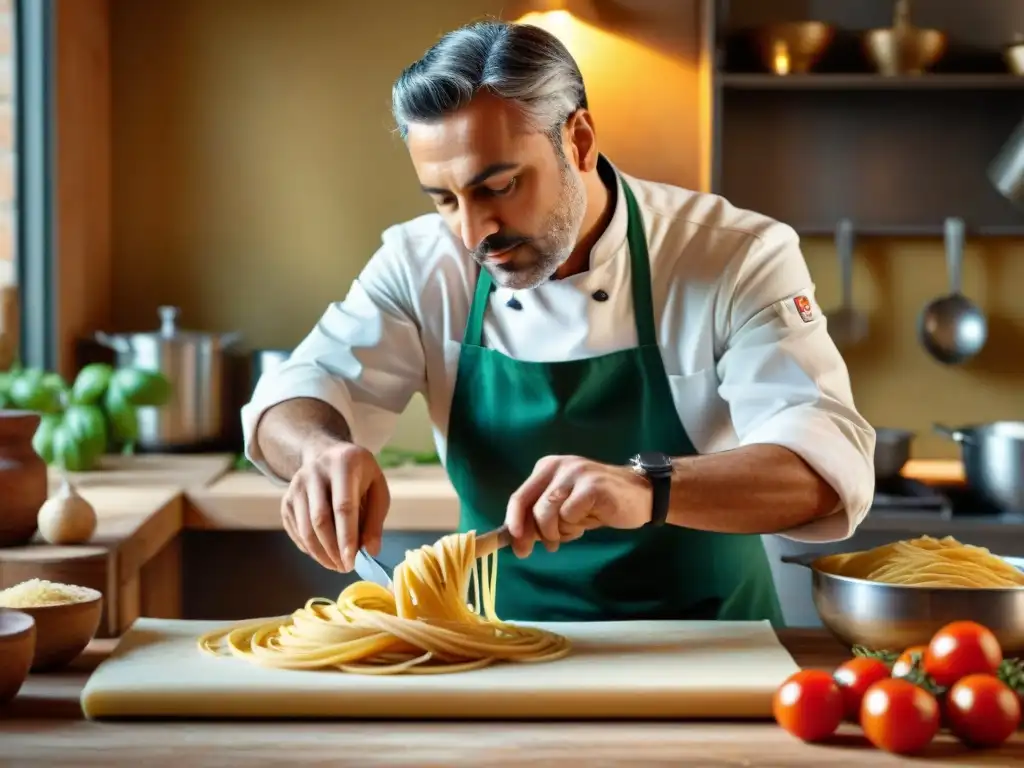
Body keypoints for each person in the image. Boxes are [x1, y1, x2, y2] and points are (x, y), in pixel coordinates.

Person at [242, 20, 876, 625]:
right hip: (489, 643)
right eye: (444, 199)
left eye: (499, 186)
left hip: (704, 639)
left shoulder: (733, 254)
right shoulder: (420, 263)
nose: (473, 232)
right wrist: (320, 451)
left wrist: (646, 486)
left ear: (577, 140)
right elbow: (299, 391)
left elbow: (823, 466)